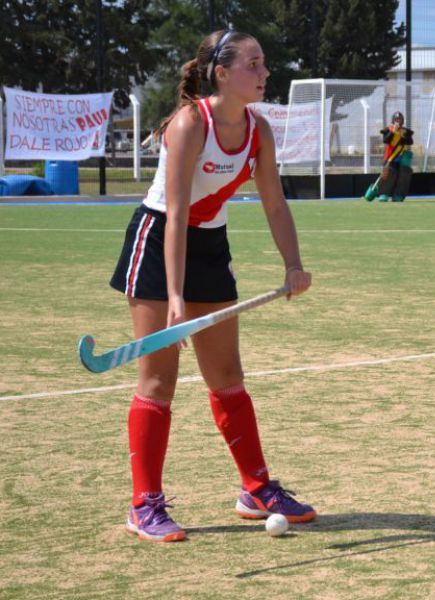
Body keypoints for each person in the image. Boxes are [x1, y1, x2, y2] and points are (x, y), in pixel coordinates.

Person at [108, 29, 316, 542]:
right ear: (221, 73)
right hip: (159, 243)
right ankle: (144, 504)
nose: (265, 72)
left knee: (226, 373)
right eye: (254, 64)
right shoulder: (188, 124)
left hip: (210, 243)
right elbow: (175, 213)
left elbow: (274, 202)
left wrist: (293, 264)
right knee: (159, 379)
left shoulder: (258, 130)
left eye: (264, 63)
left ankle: (256, 488)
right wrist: (175, 297)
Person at [376, 111, 414, 202]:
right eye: (396, 119)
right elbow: (386, 140)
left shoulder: (405, 131)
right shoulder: (388, 129)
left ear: (402, 121)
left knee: (403, 176)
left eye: (399, 119)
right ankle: (384, 194)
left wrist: (403, 135)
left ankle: (398, 195)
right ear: (393, 120)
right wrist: (393, 132)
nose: (398, 121)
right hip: (390, 158)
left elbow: (410, 142)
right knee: (388, 175)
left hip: (402, 159)